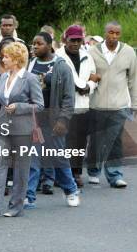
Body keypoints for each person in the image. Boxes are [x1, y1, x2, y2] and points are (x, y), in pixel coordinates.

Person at [0, 42, 43, 218]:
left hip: (23, 129)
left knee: (21, 168)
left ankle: (16, 207)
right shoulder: (2, 77)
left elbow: (39, 105)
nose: (3, 59)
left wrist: (19, 106)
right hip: (2, 126)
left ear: (16, 59)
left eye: (6, 56)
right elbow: (0, 101)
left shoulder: (30, 78)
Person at [25, 32, 80, 209]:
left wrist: (63, 120)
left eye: (39, 44)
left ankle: (71, 190)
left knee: (58, 157)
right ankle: (29, 196)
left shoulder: (61, 66)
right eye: (33, 44)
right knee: (32, 159)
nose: (34, 47)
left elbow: (68, 97)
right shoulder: (31, 64)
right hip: (34, 121)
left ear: (49, 45)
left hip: (54, 121)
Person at [87, 21, 137, 188]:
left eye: (117, 33)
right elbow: (86, 73)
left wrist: (134, 104)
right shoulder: (93, 51)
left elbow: (133, 81)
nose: (114, 36)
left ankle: (115, 175)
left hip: (119, 105)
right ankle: (93, 171)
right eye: (110, 32)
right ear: (105, 32)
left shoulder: (129, 52)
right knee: (95, 140)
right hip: (96, 104)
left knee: (115, 141)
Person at [56, 25, 97, 187]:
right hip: (63, 106)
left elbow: (94, 76)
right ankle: (61, 175)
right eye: (72, 40)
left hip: (82, 105)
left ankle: (76, 173)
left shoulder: (87, 55)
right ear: (65, 39)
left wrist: (89, 86)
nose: (75, 43)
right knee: (62, 142)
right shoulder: (58, 56)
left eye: (78, 40)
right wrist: (82, 85)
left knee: (79, 143)